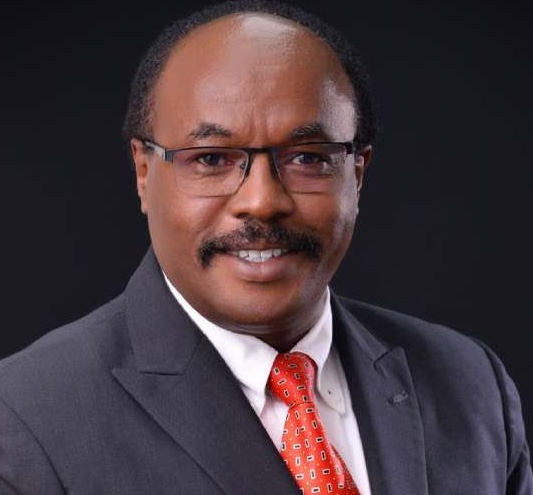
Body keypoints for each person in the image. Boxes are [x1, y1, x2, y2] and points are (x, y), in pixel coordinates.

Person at [0, 0, 531, 493]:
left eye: (307, 157)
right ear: (143, 172)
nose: (261, 202)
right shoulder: (25, 420)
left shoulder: (470, 385)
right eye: (211, 159)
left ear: (357, 174)